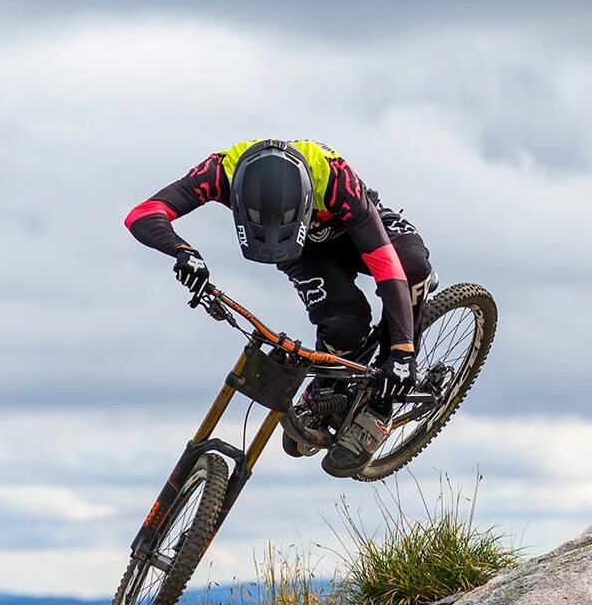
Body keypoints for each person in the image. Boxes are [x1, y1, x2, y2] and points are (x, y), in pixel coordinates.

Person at [124, 139, 431, 472]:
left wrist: (403, 352)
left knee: (412, 269)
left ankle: (382, 407)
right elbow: (144, 214)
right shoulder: (219, 171)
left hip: (355, 226)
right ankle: (327, 386)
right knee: (344, 323)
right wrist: (183, 251)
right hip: (299, 246)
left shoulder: (334, 178)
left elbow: (387, 269)